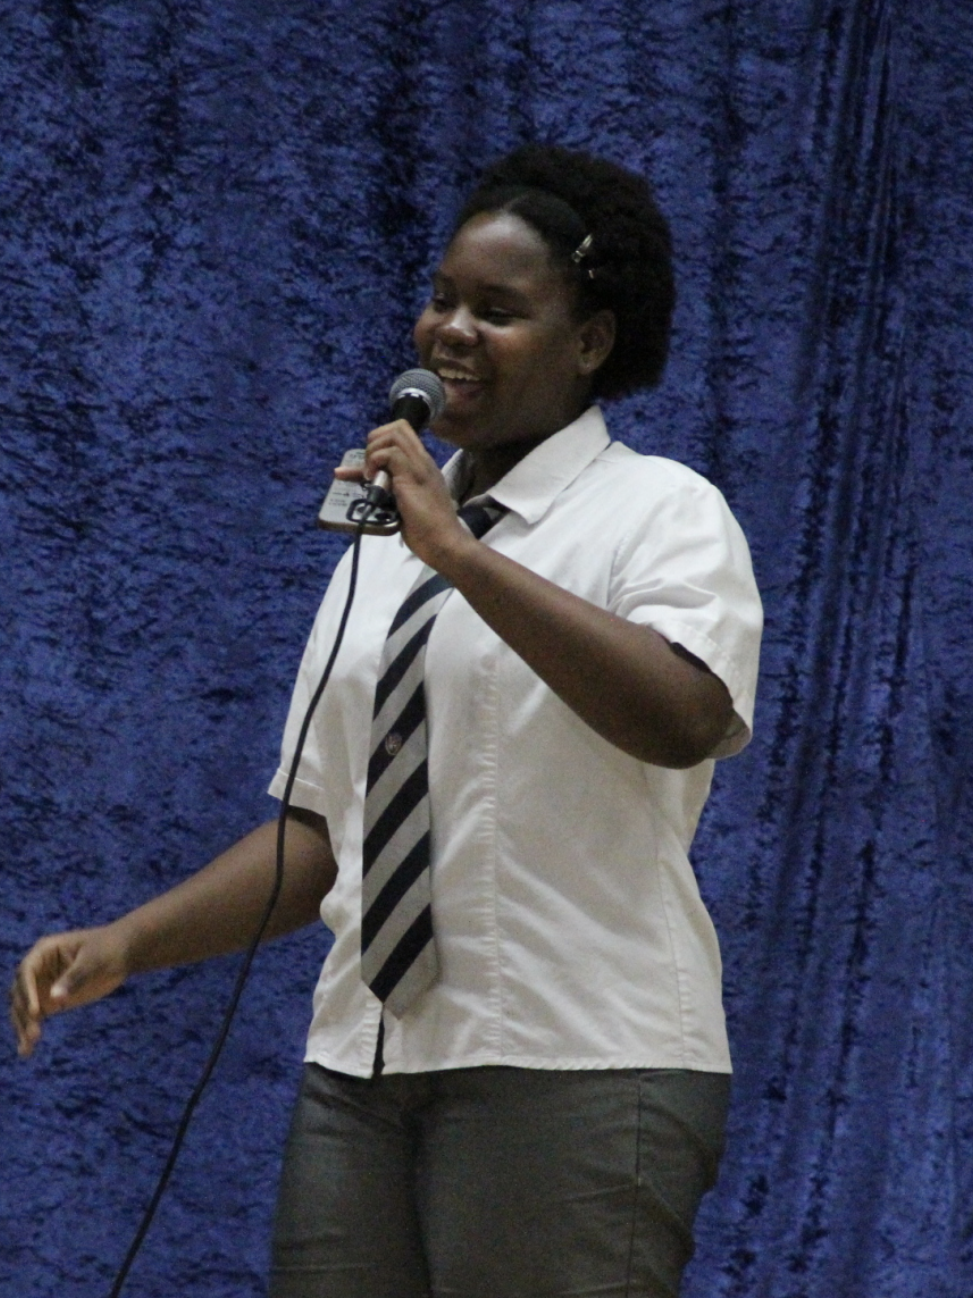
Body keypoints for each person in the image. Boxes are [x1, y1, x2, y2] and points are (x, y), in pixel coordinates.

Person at [10, 143, 763, 1297]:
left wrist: (458, 554)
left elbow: (684, 714)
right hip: (361, 1064)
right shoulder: (385, 539)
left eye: (496, 310)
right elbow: (327, 828)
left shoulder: (659, 510)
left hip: (578, 1057)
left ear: (590, 342)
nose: (449, 330)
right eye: (442, 297)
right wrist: (130, 940)